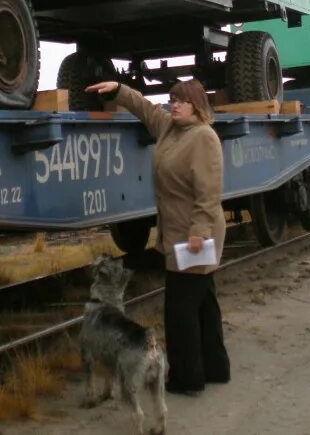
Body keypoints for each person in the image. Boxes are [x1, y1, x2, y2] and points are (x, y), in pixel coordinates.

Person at [85, 78, 231, 396]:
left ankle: (187, 378)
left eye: (181, 101)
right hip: (179, 232)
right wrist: (119, 90)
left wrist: (198, 234)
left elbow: (208, 194)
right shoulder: (168, 127)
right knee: (203, 300)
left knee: (179, 310)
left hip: (194, 235)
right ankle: (216, 367)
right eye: (172, 99)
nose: (173, 105)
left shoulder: (204, 137)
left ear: (197, 105)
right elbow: (146, 109)